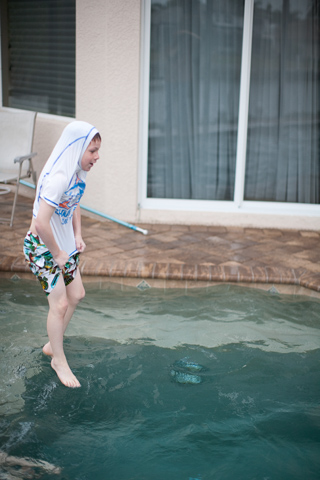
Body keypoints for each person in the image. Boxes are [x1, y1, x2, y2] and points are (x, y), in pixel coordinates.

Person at [23, 121, 101, 388]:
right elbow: (42, 223)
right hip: (42, 247)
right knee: (59, 304)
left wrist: (77, 235)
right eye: (92, 150)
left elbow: (74, 203)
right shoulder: (58, 178)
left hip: (63, 246)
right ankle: (58, 359)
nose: (96, 157)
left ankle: (50, 345)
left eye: (97, 150)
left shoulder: (77, 173)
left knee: (77, 294)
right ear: (77, 146)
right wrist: (57, 254)